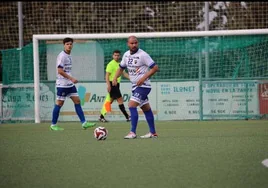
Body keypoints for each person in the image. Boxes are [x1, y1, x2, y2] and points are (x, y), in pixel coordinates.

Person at [112, 36, 159, 139]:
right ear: (128, 44)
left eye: (135, 43)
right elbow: (121, 68)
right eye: (132, 43)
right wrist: (115, 78)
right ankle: (153, 132)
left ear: (138, 43)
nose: (134, 45)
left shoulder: (143, 55)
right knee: (146, 109)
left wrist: (143, 78)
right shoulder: (126, 55)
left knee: (131, 105)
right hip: (135, 86)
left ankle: (132, 132)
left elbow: (155, 68)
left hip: (144, 86)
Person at [50, 37, 96, 131]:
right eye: (67, 44)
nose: (69, 45)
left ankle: (84, 123)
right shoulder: (62, 56)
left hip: (70, 85)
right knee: (59, 104)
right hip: (62, 85)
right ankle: (53, 125)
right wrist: (71, 78)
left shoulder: (69, 55)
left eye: (70, 44)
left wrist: (70, 80)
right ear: (64, 45)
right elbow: (60, 71)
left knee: (77, 101)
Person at [99, 50, 131, 123]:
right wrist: (108, 85)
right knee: (120, 100)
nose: (116, 57)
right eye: (115, 55)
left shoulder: (120, 64)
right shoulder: (111, 64)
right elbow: (106, 76)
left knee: (109, 101)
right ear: (113, 56)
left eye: (118, 55)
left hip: (117, 84)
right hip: (112, 84)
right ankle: (127, 116)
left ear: (120, 56)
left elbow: (124, 73)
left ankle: (101, 116)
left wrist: (131, 78)